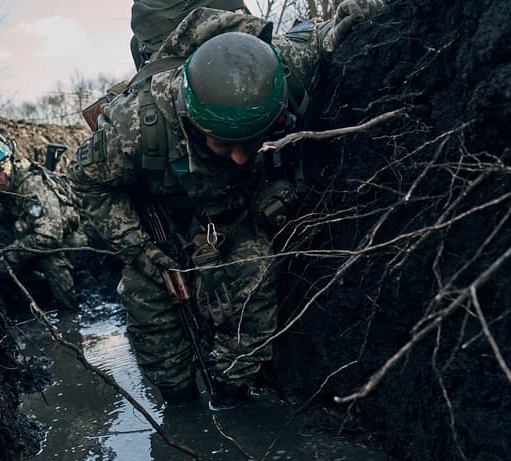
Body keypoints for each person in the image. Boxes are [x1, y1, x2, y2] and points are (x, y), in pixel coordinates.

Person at [67, 2, 386, 407]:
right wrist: (143, 252)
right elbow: (85, 180)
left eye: (250, 141)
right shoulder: (137, 124)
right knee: (147, 304)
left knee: (253, 280)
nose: (238, 157)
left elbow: (323, 37)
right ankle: (179, 403)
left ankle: (232, 395)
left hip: (236, 211)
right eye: (222, 143)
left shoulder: (282, 70)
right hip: (165, 216)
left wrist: (351, 20)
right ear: (191, 119)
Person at [0, 138, 86, 310]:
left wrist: (11, 253)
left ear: (8, 163)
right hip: (34, 236)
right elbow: (6, 214)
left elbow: (50, 236)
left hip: (71, 238)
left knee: (49, 260)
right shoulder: (3, 185)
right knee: (2, 271)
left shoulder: (31, 185)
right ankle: (41, 295)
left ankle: (70, 311)